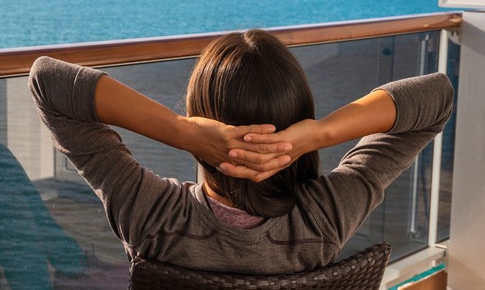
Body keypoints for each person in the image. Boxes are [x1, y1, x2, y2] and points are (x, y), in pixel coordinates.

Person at [28, 29, 453, 275]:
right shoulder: (327, 215)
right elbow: (436, 98)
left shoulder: (151, 214)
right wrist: (318, 134)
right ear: (299, 113)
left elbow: (47, 80)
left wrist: (181, 132)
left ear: (203, 119)